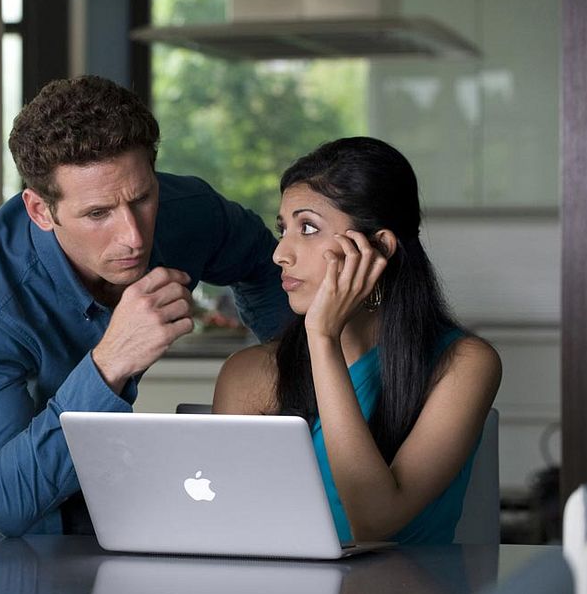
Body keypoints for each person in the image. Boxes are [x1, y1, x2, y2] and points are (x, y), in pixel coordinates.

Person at [0, 75, 291, 536]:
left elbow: (266, 264)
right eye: (98, 214)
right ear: (39, 211)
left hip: (79, 447)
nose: (133, 237)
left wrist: (296, 373)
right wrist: (111, 361)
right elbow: (3, 501)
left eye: (142, 197)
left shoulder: (189, 211)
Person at [213, 136, 502, 543]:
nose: (281, 253)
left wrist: (323, 338)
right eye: (283, 229)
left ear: (378, 247)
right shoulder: (248, 373)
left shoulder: (464, 363)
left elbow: (375, 522)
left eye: (308, 227)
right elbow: (228, 531)